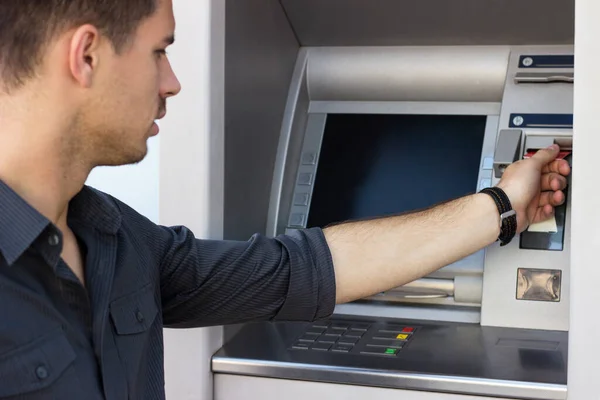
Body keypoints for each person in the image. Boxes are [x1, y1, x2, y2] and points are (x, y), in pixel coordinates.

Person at [0, 0, 570, 399]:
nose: (172, 81)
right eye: (158, 51)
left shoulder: (117, 239)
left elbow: (297, 269)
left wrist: (502, 203)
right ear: (87, 56)